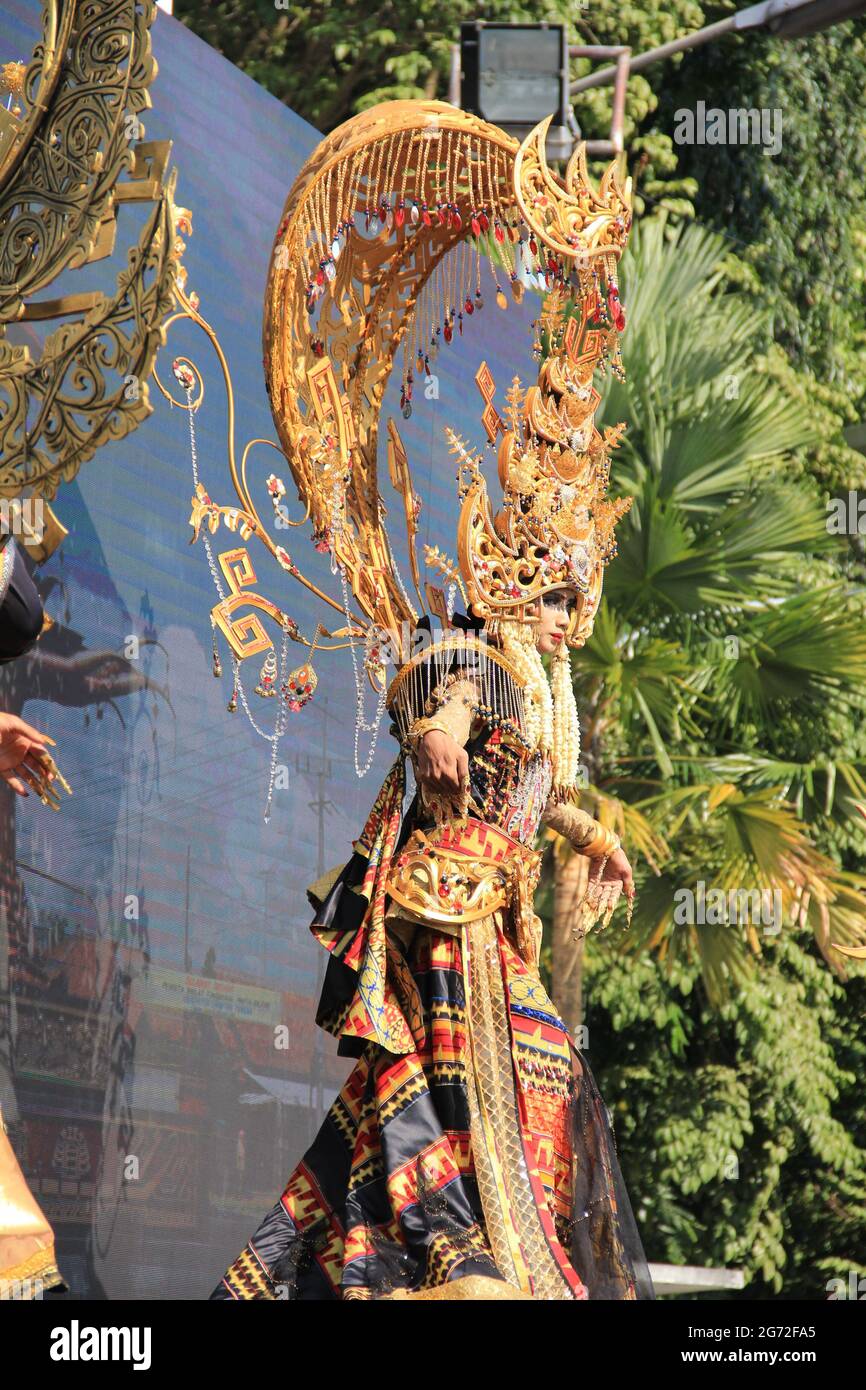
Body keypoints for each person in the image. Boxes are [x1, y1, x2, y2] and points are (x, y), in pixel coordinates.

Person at [210, 583, 654, 1300]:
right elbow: (436, 716)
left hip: (493, 927)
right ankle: (469, 1245)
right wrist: (438, 735)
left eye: (573, 609)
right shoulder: (477, 672)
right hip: (449, 924)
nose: (566, 623)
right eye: (552, 604)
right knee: (479, 1071)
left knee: (503, 1078)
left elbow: (548, 800)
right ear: (514, 601)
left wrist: (601, 843)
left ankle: (472, 1241)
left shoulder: (534, 704)